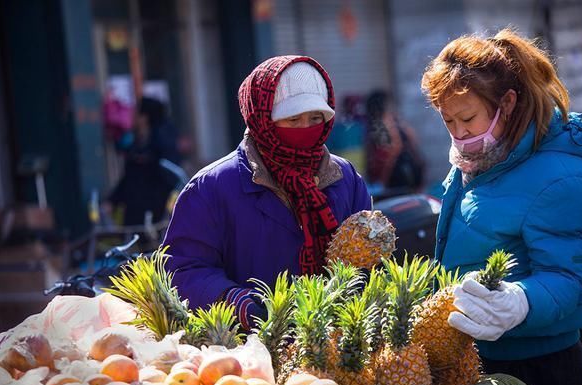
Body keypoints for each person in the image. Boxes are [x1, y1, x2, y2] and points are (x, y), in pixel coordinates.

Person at [420, 28, 582, 385]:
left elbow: (571, 276)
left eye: (468, 118)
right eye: (448, 120)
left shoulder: (561, 175)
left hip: (538, 367)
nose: (458, 133)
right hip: (479, 358)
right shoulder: (480, 158)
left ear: (506, 103)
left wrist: (519, 301)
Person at [162, 56, 371, 330]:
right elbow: (183, 269)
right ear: (262, 120)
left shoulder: (345, 180)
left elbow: (368, 264)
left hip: (335, 347)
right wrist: (234, 301)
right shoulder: (211, 188)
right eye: (293, 119)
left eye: (315, 118)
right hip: (245, 356)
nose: (305, 129)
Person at [107, 96, 181, 226]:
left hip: (157, 216)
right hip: (135, 216)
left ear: (144, 117)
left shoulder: (163, 146)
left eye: (135, 112)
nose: (131, 116)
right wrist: (112, 202)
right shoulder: (136, 144)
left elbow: (169, 178)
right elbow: (128, 179)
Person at [365, 90, 425, 194]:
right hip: (410, 175)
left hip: (396, 180)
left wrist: (382, 181)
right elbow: (414, 141)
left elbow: (392, 150)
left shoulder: (381, 125)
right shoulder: (398, 122)